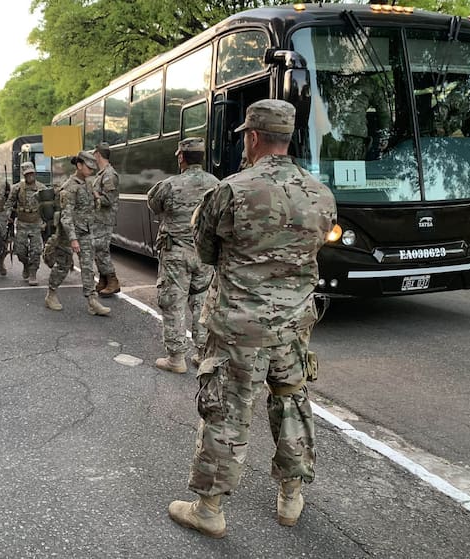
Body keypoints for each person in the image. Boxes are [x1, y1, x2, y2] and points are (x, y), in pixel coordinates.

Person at [168, 100, 337, 538]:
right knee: (291, 401)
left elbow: (205, 252)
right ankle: (290, 496)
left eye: (246, 136)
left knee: (226, 410)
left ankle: (209, 508)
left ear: (254, 137)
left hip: (238, 326)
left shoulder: (231, 191)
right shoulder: (320, 193)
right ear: (289, 137)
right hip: (293, 324)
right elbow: (316, 250)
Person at [147, 137, 218, 374]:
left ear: (181, 157)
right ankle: (203, 353)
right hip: (205, 254)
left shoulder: (169, 185)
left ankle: (176, 357)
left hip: (176, 253)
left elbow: (154, 205)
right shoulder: (217, 185)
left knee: (173, 303)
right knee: (201, 303)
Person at [44, 151, 110, 316]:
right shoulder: (69, 187)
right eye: (89, 167)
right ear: (79, 166)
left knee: (87, 266)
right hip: (68, 235)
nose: (92, 170)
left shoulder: (88, 184)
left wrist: (96, 199)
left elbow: (90, 209)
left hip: (85, 232)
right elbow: (66, 217)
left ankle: (92, 300)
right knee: (63, 267)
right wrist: (73, 239)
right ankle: (51, 294)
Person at [5, 161, 47, 285]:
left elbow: (48, 205)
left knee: (36, 250)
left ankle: (33, 273)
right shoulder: (17, 188)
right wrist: (8, 214)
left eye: (32, 173)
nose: (30, 176)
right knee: (20, 250)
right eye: (27, 174)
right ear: (24, 175)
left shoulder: (42, 188)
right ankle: (25, 265)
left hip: (36, 223)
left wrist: (46, 221)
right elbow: (9, 202)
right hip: (22, 223)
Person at [91, 142, 121, 297]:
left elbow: (108, 200)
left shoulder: (109, 175)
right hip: (98, 218)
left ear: (98, 154)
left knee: (101, 250)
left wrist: (93, 195)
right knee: (97, 249)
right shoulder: (101, 174)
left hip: (104, 219)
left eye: (94, 154)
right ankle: (103, 280)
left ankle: (112, 280)